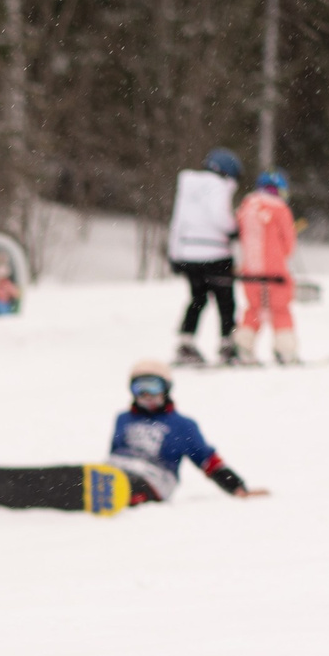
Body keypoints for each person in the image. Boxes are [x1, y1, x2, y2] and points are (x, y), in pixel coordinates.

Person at [107, 360, 269, 503]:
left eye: (153, 387)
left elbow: (208, 461)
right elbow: (115, 452)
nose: (147, 395)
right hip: (117, 470)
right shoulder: (123, 419)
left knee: (127, 483)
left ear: (166, 389)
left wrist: (236, 487)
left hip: (155, 478)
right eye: (140, 388)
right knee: (96, 477)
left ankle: (114, 493)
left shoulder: (182, 425)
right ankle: (91, 490)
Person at [168, 148, 244, 366]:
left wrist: (175, 254)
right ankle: (227, 344)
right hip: (215, 254)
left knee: (197, 298)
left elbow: (177, 222)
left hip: (188, 254)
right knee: (225, 300)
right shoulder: (218, 186)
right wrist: (233, 229)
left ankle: (186, 342)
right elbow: (219, 216)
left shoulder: (187, 187)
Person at [233, 171, 300, 365]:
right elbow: (288, 244)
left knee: (254, 309)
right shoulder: (280, 209)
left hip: (250, 272)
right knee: (280, 310)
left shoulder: (247, 208)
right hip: (275, 271)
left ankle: (243, 347)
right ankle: (285, 350)